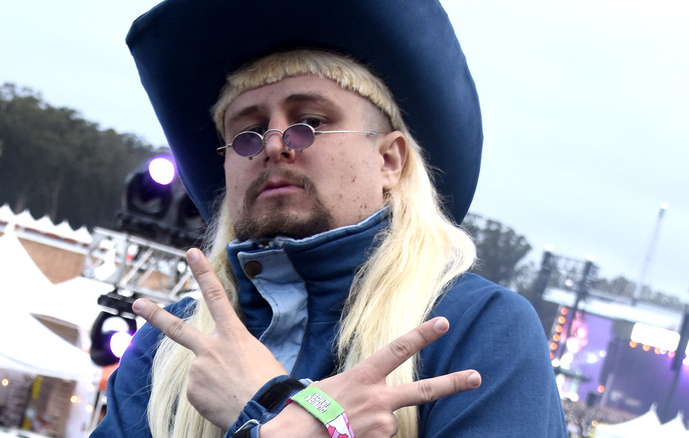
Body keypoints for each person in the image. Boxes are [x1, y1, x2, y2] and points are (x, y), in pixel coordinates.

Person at [94, 1, 567, 437]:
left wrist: (267, 407)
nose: (275, 144)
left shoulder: (478, 328)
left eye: (309, 122)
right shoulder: (170, 347)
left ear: (389, 160)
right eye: (247, 133)